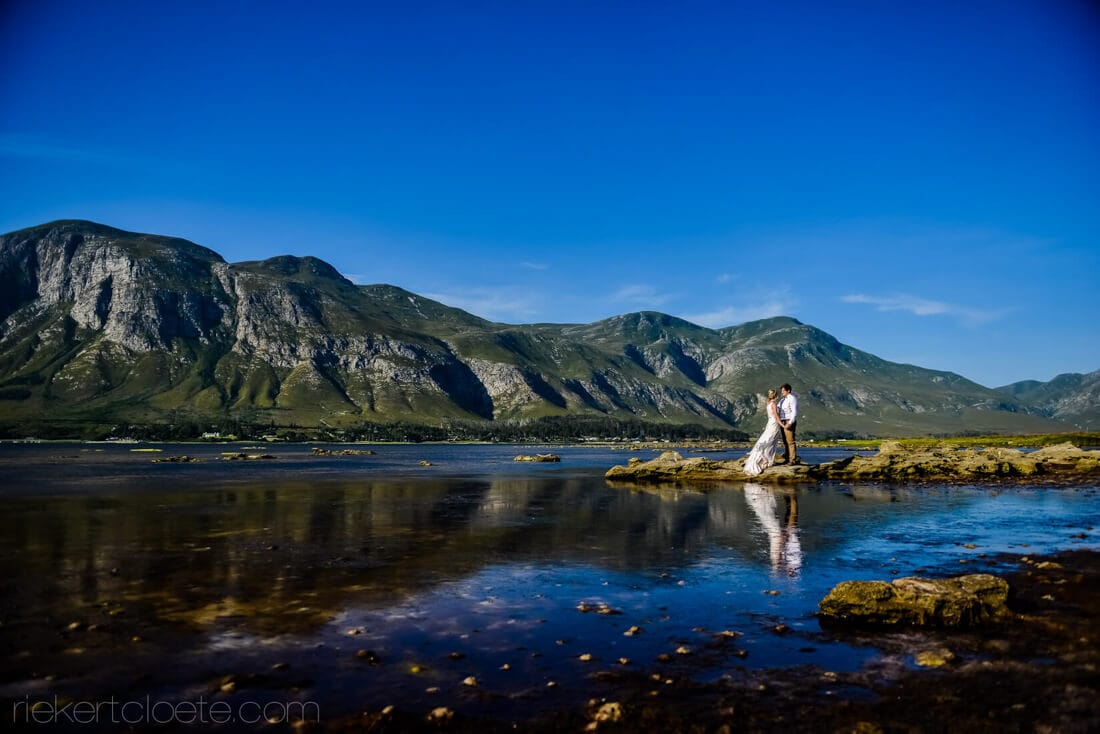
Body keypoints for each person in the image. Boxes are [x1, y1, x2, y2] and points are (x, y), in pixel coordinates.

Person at [743, 389, 782, 476]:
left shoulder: (768, 403)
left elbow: (770, 416)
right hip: (774, 424)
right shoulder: (774, 404)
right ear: (775, 396)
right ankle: (767, 459)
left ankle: (766, 458)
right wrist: (782, 425)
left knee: (767, 439)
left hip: (769, 422)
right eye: (777, 395)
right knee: (771, 441)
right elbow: (776, 417)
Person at [777, 383, 799, 464]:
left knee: (790, 441)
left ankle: (792, 459)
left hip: (788, 420)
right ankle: (787, 457)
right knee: (785, 441)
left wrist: (790, 422)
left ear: (788, 390)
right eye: (781, 390)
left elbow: (794, 411)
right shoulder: (782, 400)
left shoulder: (792, 398)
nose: (782, 392)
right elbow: (778, 409)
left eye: (783, 390)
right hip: (782, 421)